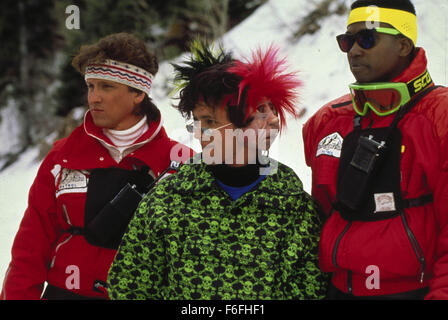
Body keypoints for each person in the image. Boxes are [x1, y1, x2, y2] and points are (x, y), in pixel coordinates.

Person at [107, 41, 328, 300]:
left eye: (211, 122)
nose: (201, 134)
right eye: (197, 122)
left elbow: (309, 289)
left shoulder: (294, 208)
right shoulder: (168, 200)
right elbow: (128, 286)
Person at [1, 32, 192, 299]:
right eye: (91, 86)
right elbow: (31, 247)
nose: (94, 97)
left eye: (106, 86)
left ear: (138, 93)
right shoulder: (62, 156)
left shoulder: (181, 163)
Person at [303, 0, 448, 299]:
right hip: (339, 289)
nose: (354, 50)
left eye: (367, 39)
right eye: (347, 41)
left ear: (403, 44)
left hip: (416, 291)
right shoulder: (326, 122)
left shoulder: (440, 117)